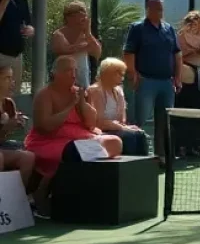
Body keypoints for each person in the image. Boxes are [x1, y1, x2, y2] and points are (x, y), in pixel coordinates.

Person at [25, 56, 123, 218]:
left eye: (75, 70)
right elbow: (45, 127)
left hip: (81, 138)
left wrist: (81, 103)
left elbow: (91, 123)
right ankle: (42, 192)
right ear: (55, 73)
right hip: (49, 141)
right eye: (68, 70)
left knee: (114, 143)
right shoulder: (45, 94)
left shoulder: (77, 93)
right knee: (73, 151)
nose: (73, 74)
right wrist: (70, 105)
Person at [122, 0, 182, 167]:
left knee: (164, 121)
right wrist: (133, 73)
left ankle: (161, 156)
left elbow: (177, 54)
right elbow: (129, 52)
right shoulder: (137, 28)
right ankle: (139, 156)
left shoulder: (169, 29)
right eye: (156, 9)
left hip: (166, 83)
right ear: (148, 9)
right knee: (141, 119)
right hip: (145, 82)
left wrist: (177, 77)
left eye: (161, 9)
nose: (159, 12)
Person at [86, 58, 148, 156]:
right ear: (108, 74)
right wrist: (123, 128)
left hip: (114, 128)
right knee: (130, 136)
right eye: (118, 73)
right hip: (100, 130)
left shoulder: (119, 91)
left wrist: (126, 127)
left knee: (140, 134)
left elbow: (121, 120)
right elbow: (97, 122)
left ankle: (142, 168)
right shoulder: (94, 91)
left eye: (122, 73)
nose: (122, 77)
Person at [50, 0, 101, 90]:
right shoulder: (59, 34)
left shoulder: (86, 34)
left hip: (82, 80)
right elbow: (63, 51)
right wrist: (84, 47)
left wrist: (88, 33)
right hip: (63, 80)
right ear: (69, 17)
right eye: (80, 13)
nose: (84, 16)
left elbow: (97, 53)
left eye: (85, 12)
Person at [0, 64, 35, 193]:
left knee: (29, 156)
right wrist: (8, 125)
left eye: (12, 78)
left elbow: (3, 137)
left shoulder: (8, 103)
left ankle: (16, 199)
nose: (12, 83)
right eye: (7, 78)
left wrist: (15, 124)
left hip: (2, 145)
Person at [0, 0, 33, 96]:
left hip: (17, 56)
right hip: (1, 54)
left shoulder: (22, 2)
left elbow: (29, 23)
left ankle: (12, 114)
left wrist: (30, 29)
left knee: (13, 91)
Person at [177, 10, 200, 109]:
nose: (196, 27)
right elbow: (178, 54)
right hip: (187, 68)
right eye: (193, 24)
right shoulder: (181, 36)